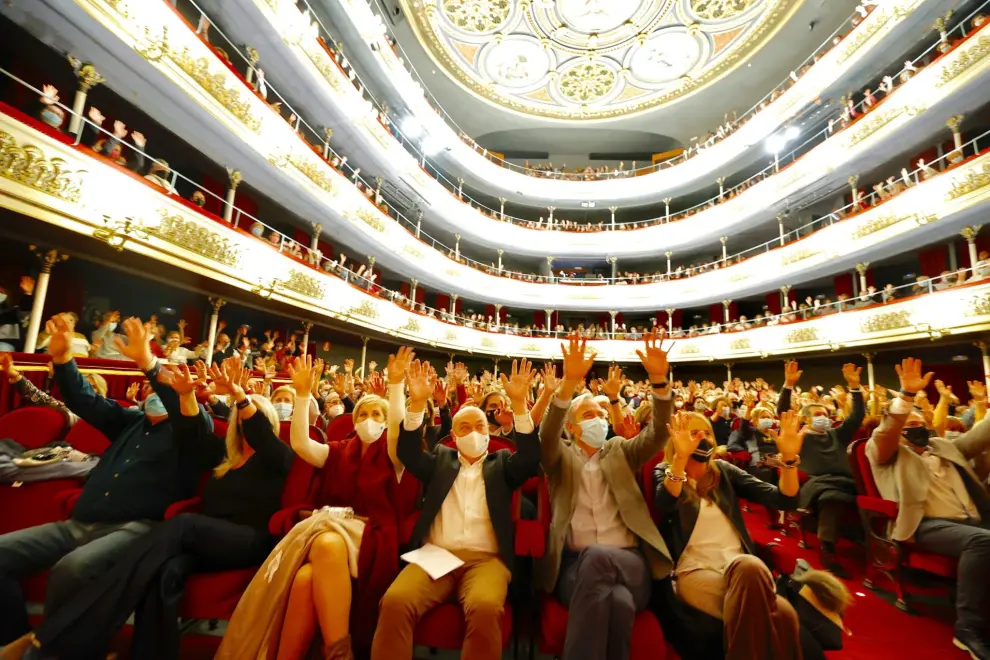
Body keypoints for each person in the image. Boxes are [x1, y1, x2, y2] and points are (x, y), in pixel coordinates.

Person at [2, 358, 290, 660]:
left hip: (248, 540)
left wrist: (241, 397)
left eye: (253, 418)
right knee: (161, 573)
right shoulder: (223, 456)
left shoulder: (277, 457)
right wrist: (187, 396)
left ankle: (49, 641)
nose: (245, 423)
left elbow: (262, 436)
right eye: (241, 418)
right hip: (201, 541)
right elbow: (192, 430)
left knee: (181, 526)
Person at [0, 316, 218, 645]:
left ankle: (54, 649)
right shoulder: (129, 421)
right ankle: (15, 640)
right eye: (148, 386)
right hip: (80, 522)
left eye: (157, 385)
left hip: (137, 527)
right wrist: (62, 359)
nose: (150, 390)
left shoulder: (193, 432)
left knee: (72, 570)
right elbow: (85, 400)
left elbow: (190, 419)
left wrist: (149, 363)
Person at [218, 351, 418, 660]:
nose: (369, 420)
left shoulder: (395, 456)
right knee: (305, 579)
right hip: (334, 531)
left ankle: (338, 654)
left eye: (377, 415)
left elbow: (399, 432)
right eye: (362, 415)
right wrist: (301, 394)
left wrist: (394, 385)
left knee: (325, 544)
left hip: (373, 537)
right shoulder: (338, 451)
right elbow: (300, 444)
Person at [371, 358, 541, 660]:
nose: (473, 431)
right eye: (464, 426)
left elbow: (529, 460)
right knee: (395, 601)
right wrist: (417, 404)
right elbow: (407, 452)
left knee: (486, 608)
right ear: (455, 435)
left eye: (479, 426)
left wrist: (519, 406)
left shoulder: (502, 465)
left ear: (488, 435)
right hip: (437, 555)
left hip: (486, 561)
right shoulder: (440, 460)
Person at [536, 332, 673, 660]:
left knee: (599, 558)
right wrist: (569, 383)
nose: (598, 419)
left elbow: (657, 433)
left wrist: (658, 381)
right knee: (618, 601)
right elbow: (546, 435)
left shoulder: (620, 451)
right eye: (588, 415)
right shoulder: (559, 458)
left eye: (601, 415)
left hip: (632, 563)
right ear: (572, 427)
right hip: (573, 568)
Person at [654, 410, 806, 659]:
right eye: (692, 433)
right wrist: (680, 458)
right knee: (766, 591)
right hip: (695, 572)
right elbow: (665, 501)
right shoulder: (665, 471)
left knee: (783, 611)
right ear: (677, 439)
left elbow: (783, 499)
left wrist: (788, 460)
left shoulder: (723, 471)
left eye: (706, 433)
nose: (701, 438)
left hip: (740, 570)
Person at [867, 358, 990, 659]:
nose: (917, 426)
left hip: (972, 519)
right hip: (926, 524)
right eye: (910, 425)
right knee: (982, 541)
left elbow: (982, 434)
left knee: (980, 535)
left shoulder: (946, 446)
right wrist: (907, 398)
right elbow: (887, 432)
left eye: (920, 422)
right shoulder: (886, 452)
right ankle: (968, 628)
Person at [776, 360, 864, 576]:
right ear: (805, 420)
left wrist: (855, 389)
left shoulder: (836, 434)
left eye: (825, 414)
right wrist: (788, 385)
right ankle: (827, 549)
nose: (823, 418)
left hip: (845, 481)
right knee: (831, 497)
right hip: (817, 483)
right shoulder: (800, 437)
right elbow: (784, 412)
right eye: (817, 415)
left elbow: (856, 417)